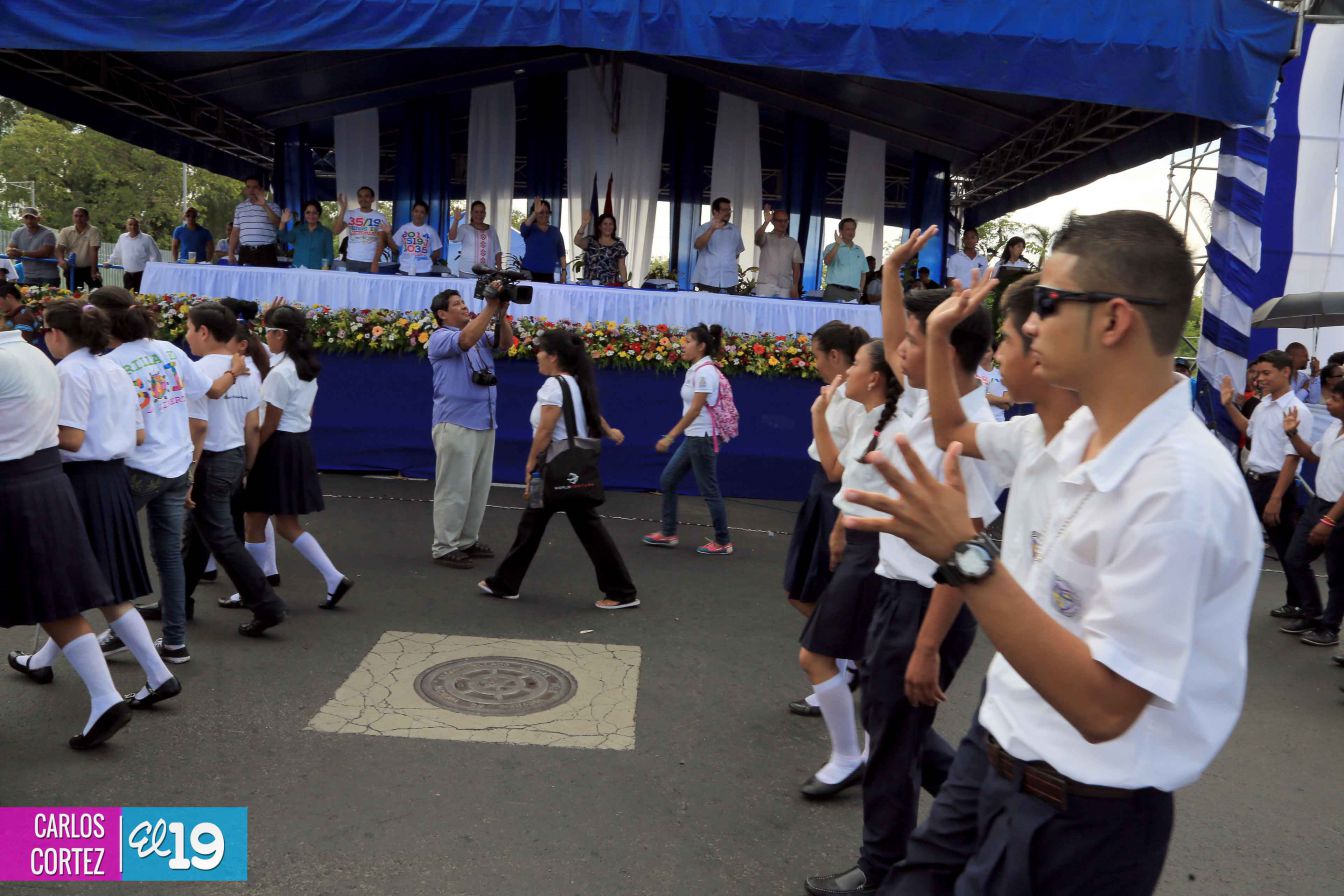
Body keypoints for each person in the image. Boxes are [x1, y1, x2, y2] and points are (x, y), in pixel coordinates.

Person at [856, 211, 1260, 896]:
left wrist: (963, 553)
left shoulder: (1179, 487)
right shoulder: (1074, 438)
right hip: (1001, 749)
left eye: (1047, 301)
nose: (1031, 323)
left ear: (1114, 321)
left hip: (1078, 816)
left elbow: (1104, 707)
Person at [803, 227, 1003, 896]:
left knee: (890, 742)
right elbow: (895, 338)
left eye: (917, 342)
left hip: (928, 602)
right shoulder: (929, 398)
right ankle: (980, 813)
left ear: (945, 349)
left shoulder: (965, 433)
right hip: (899, 589)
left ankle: (882, 868)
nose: (898, 353)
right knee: (894, 726)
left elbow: (967, 550)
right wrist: (890, 272)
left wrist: (925, 645)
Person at [880, 272, 1082, 893]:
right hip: (1001, 729)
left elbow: (1103, 705)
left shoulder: (1152, 476)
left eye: (1015, 336)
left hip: (1068, 779)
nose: (999, 350)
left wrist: (960, 552)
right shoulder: (1032, 435)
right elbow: (950, 431)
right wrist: (939, 334)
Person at [8, 299, 184, 711]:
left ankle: (158, 674)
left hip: (80, 481)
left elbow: (70, 439)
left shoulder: (69, 372)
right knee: (97, 585)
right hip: (113, 479)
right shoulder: (113, 367)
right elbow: (137, 435)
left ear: (55, 333)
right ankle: (43, 660)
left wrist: (28, 429)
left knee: (88, 586)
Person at [91, 286, 244, 666]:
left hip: (137, 469)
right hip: (176, 468)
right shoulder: (169, 350)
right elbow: (211, 392)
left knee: (104, 553)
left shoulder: (110, 365)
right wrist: (233, 370)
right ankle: (173, 641)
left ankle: (116, 633)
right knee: (168, 558)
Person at [1, 319, 133, 750]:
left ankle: (107, 697)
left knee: (54, 600)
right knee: (56, 602)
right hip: (43, 480)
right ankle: (106, 697)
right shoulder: (31, 353)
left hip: (13, 486)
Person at [796, 336, 902, 798]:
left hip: (877, 548)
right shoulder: (874, 420)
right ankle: (858, 755)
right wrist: (842, 525)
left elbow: (847, 475)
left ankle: (849, 756)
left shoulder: (893, 425)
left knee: (818, 653)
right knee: (851, 657)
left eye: (856, 363)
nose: (847, 371)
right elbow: (850, 478)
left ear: (875, 377)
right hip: (859, 541)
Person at [480, 328, 637, 609]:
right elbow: (591, 414)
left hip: (553, 467)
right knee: (536, 525)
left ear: (553, 357)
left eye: (540, 351)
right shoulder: (574, 383)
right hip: (566, 468)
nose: (537, 355)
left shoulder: (553, 386)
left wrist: (530, 465)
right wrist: (609, 430)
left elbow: (545, 430)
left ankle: (622, 591)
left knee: (546, 526)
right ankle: (505, 583)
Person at [180, 301, 288, 636]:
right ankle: (177, 600)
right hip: (233, 457)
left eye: (188, 328)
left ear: (203, 332)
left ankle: (266, 604)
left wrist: (188, 473)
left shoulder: (198, 371)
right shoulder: (248, 371)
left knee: (219, 537)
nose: (186, 336)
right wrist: (248, 464)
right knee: (199, 537)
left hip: (207, 460)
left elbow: (195, 427)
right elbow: (251, 426)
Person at [238, 304, 353, 610]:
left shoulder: (279, 373)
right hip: (298, 445)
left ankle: (253, 589)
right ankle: (333, 577)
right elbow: (308, 412)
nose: (267, 339)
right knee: (286, 524)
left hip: (275, 447)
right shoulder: (305, 368)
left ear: (280, 335)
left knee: (253, 519)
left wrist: (250, 458)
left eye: (269, 332)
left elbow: (270, 423)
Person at [1220, 350, 1312, 619]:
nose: (1260, 378)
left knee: (1288, 551)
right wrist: (1228, 405)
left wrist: (1276, 497)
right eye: (1258, 373)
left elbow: (1292, 457)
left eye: (1266, 373)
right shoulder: (1263, 405)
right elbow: (1248, 430)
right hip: (1254, 481)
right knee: (1236, 538)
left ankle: (1301, 605)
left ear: (1285, 372)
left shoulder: (1297, 410)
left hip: (1275, 485)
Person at [429, 287, 514, 569]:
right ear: (442, 314)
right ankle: (444, 546)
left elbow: (505, 343)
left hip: (484, 420)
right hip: (455, 421)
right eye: (457, 304)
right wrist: (490, 307)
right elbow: (464, 340)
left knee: (477, 488)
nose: (465, 307)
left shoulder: (477, 336)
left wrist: (500, 313)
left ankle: (466, 540)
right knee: (453, 488)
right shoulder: (440, 337)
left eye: (465, 302)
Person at [643, 323, 733, 555]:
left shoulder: (705, 372)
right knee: (669, 479)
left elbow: (695, 410)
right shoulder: (696, 369)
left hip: (702, 438)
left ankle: (723, 541)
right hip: (694, 437)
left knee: (709, 490)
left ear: (701, 346)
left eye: (688, 341)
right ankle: (668, 533)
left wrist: (670, 437)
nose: (684, 345)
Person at [1279, 391, 1344, 647]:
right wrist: (1292, 434)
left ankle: (1329, 628)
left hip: (1338, 510)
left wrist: (1329, 521)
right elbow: (1311, 454)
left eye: (1335, 399)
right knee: (1295, 558)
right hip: (1318, 503)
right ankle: (1312, 614)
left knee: (1338, 575)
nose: (1327, 402)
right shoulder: (1333, 427)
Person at [228, 175, 283, 267]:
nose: (251, 190)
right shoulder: (240, 207)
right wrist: (230, 252)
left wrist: (264, 205)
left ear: (261, 189)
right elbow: (235, 232)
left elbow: (278, 223)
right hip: (245, 251)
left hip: (266, 251)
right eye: (248, 187)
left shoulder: (273, 206)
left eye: (255, 187)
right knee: (245, 281)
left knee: (267, 281)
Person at [692, 197, 744, 293]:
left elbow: (737, 253)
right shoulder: (704, 228)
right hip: (707, 278)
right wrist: (712, 229)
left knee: (728, 307)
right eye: (724, 210)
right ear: (715, 211)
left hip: (729, 280)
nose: (728, 213)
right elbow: (697, 245)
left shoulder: (735, 230)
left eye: (729, 210)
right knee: (706, 307)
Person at [334, 186, 388, 274]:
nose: (363, 199)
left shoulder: (379, 217)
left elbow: (381, 242)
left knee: (369, 288)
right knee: (352, 287)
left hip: (370, 261)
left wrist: (375, 262)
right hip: (352, 260)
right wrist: (343, 209)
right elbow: (336, 231)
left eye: (366, 196)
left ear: (372, 199)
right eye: (360, 196)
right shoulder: (350, 214)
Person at [753, 205, 802, 298]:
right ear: (773, 221)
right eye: (780, 221)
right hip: (766, 284)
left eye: (785, 221)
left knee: (784, 313)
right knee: (763, 312)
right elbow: (757, 238)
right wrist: (766, 222)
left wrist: (795, 286)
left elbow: (796, 266)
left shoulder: (793, 242)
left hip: (785, 286)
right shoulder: (766, 237)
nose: (783, 223)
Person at [7, 206, 59, 286]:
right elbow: (11, 248)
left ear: (38, 219)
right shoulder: (18, 232)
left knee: (48, 298)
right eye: (26, 217)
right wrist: (10, 252)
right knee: (29, 298)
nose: (29, 220)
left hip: (49, 276)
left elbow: (45, 253)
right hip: (29, 276)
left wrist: (22, 253)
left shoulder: (48, 234)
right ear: (22, 219)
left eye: (32, 217)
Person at [519, 197, 567, 283]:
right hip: (529, 272)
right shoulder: (530, 228)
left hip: (550, 274)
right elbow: (523, 229)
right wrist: (535, 213)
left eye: (547, 212)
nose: (545, 215)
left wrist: (563, 271)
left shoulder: (555, 231)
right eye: (541, 212)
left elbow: (561, 253)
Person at [573, 210, 628, 285]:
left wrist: (625, 283)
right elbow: (577, 241)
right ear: (599, 226)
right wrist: (584, 224)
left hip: (610, 286)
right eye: (605, 224)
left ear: (614, 226)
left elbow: (622, 266)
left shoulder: (619, 245)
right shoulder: (591, 241)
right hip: (590, 286)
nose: (608, 226)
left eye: (610, 224)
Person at [107, 217, 161, 292]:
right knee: (128, 298)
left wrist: (153, 271)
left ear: (139, 226)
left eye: (135, 225)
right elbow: (117, 252)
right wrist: (109, 262)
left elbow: (156, 256)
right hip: (128, 275)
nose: (133, 227)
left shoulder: (147, 238)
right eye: (130, 224)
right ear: (126, 226)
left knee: (141, 297)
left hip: (142, 275)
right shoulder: (122, 238)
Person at [56, 207, 104, 290]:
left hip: (89, 267)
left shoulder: (94, 231)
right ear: (73, 217)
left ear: (87, 218)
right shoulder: (65, 231)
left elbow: (94, 251)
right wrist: (61, 260)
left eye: (81, 216)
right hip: (72, 269)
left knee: (97, 292)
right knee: (75, 295)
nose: (78, 219)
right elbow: (59, 248)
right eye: (76, 216)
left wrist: (93, 271)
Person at [391, 200, 443, 275]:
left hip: (424, 271)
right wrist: (388, 234)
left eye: (422, 212)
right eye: (416, 211)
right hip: (405, 268)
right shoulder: (404, 228)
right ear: (412, 212)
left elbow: (437, 252)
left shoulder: (431, 230)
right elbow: (394, 246)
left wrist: (426, 262)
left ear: (426, 215)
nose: (418, 214)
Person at [448, 201, 503, 273]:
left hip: (488, 272)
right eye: (476, 212)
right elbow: (452, 238)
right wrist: (456, 220)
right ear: (471, 213)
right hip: (467, 271)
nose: (479, 215)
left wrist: (499, 268)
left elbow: (497, 250)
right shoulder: (464, 228)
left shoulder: (491, 229)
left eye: (482, 212)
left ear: (485, 214)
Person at [280, 200, 335, 270]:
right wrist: (282, 222)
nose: (311, 215)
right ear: (304, 214)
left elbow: (329, 255)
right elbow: (282, 238)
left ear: (319, 214)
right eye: (308, 212)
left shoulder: (326, 232)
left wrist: (324, 270)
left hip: (318, 272)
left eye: (314, 213)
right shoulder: (298, 230)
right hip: (298, 271)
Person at [823, 218, 866, 301]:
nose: (851, 232)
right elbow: (827, 261)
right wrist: (837, 244)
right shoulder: (831, 247)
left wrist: (860, 291)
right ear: (841, 231)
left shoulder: (859, 250)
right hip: (835, 291)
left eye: (853, 229)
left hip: (854, 294)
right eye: (848, 229)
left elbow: (863, 273)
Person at [975, 348, 1011, 423]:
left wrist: (989, 398)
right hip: (978, 422)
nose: (983, 354)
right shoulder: (972, 372)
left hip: (998, 422)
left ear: (994, 353)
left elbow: (1008, 404)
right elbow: (975, 398)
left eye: (987, 351)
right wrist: (999, 400)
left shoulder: (1000, 374)